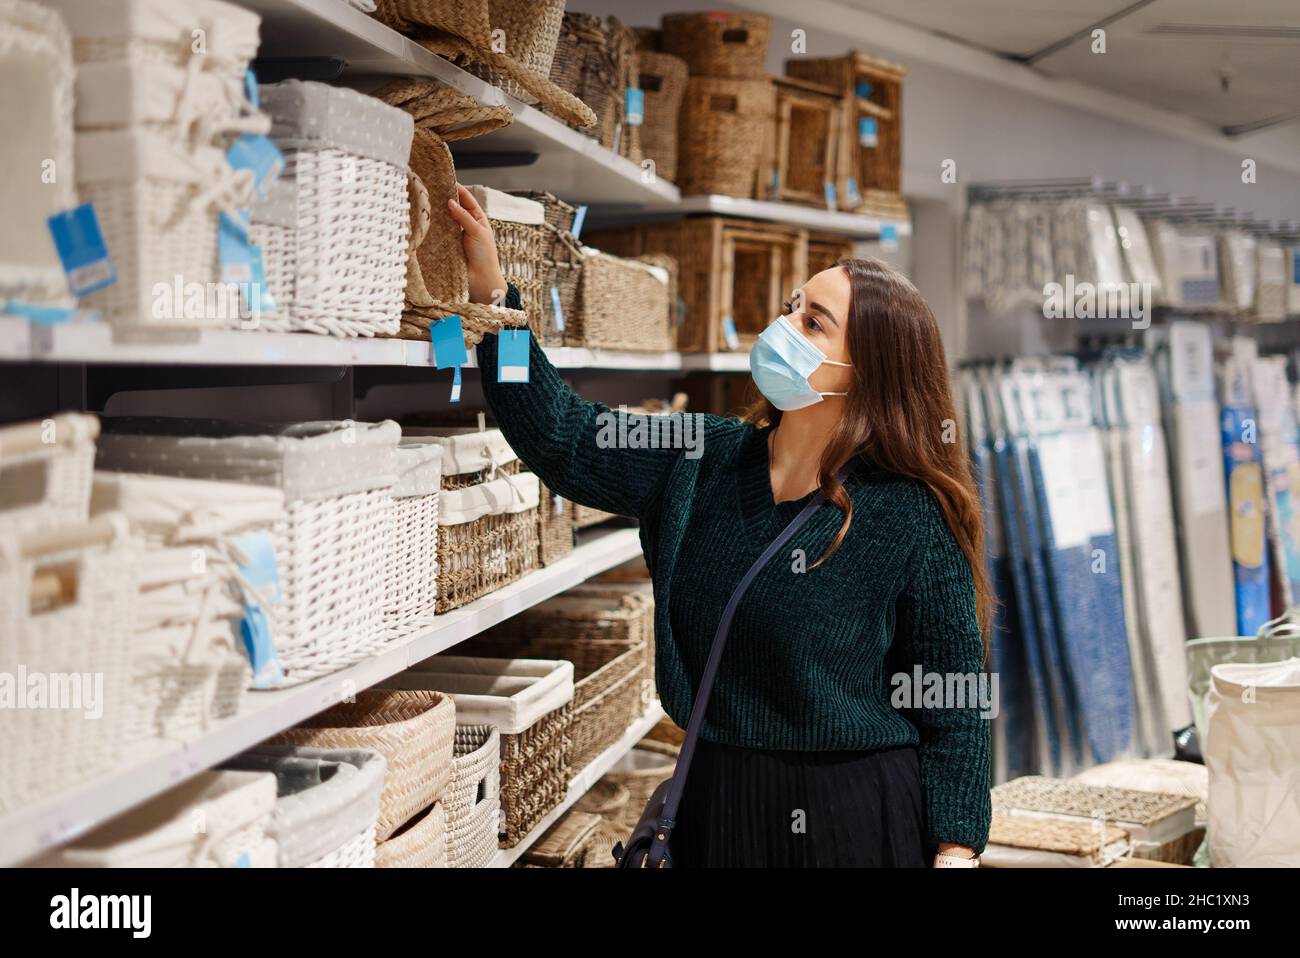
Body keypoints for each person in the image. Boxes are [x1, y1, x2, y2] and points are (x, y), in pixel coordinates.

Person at [448, 185, 992, 867]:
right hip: (716, 803)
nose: (785, 326)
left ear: (866, 374)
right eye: (791, 307)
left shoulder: (910, 512)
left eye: (815, 323)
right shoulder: (698, 456)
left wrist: (957, 850)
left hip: (854, 816)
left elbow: (954, 699)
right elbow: (567, 437)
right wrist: (497, 303)